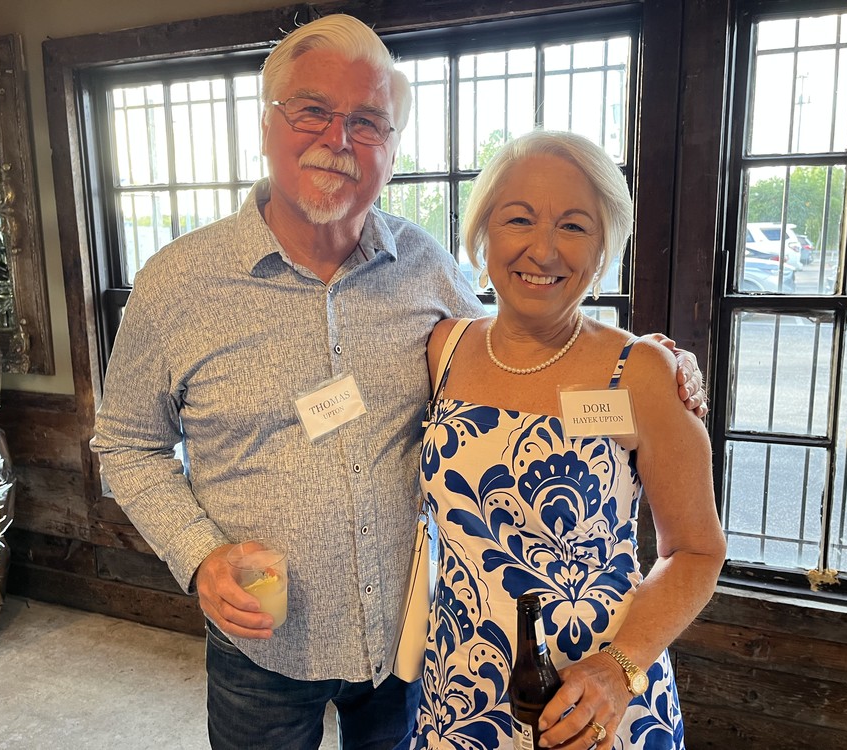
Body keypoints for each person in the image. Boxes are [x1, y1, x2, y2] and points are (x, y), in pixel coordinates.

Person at [90, 14, 707, 750]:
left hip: (415, 648)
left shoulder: (426, 269)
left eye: (368, 121)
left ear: (390, 147)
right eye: (313, 110)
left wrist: (644, 364)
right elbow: (126, 444)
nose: (338, 139)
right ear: (265, 123)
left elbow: (523, 338)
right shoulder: (176, 284)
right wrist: (199, 555)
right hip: (263, 647)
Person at [415, 130, 726, 749]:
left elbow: (697, 551)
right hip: (459, 692)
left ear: (604, 247)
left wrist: (618, 669)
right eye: (518, 218)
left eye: (574, 226)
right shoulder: (443, 349)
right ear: (483, 232)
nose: (543, 249)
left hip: (600, 704)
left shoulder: (640, 372)